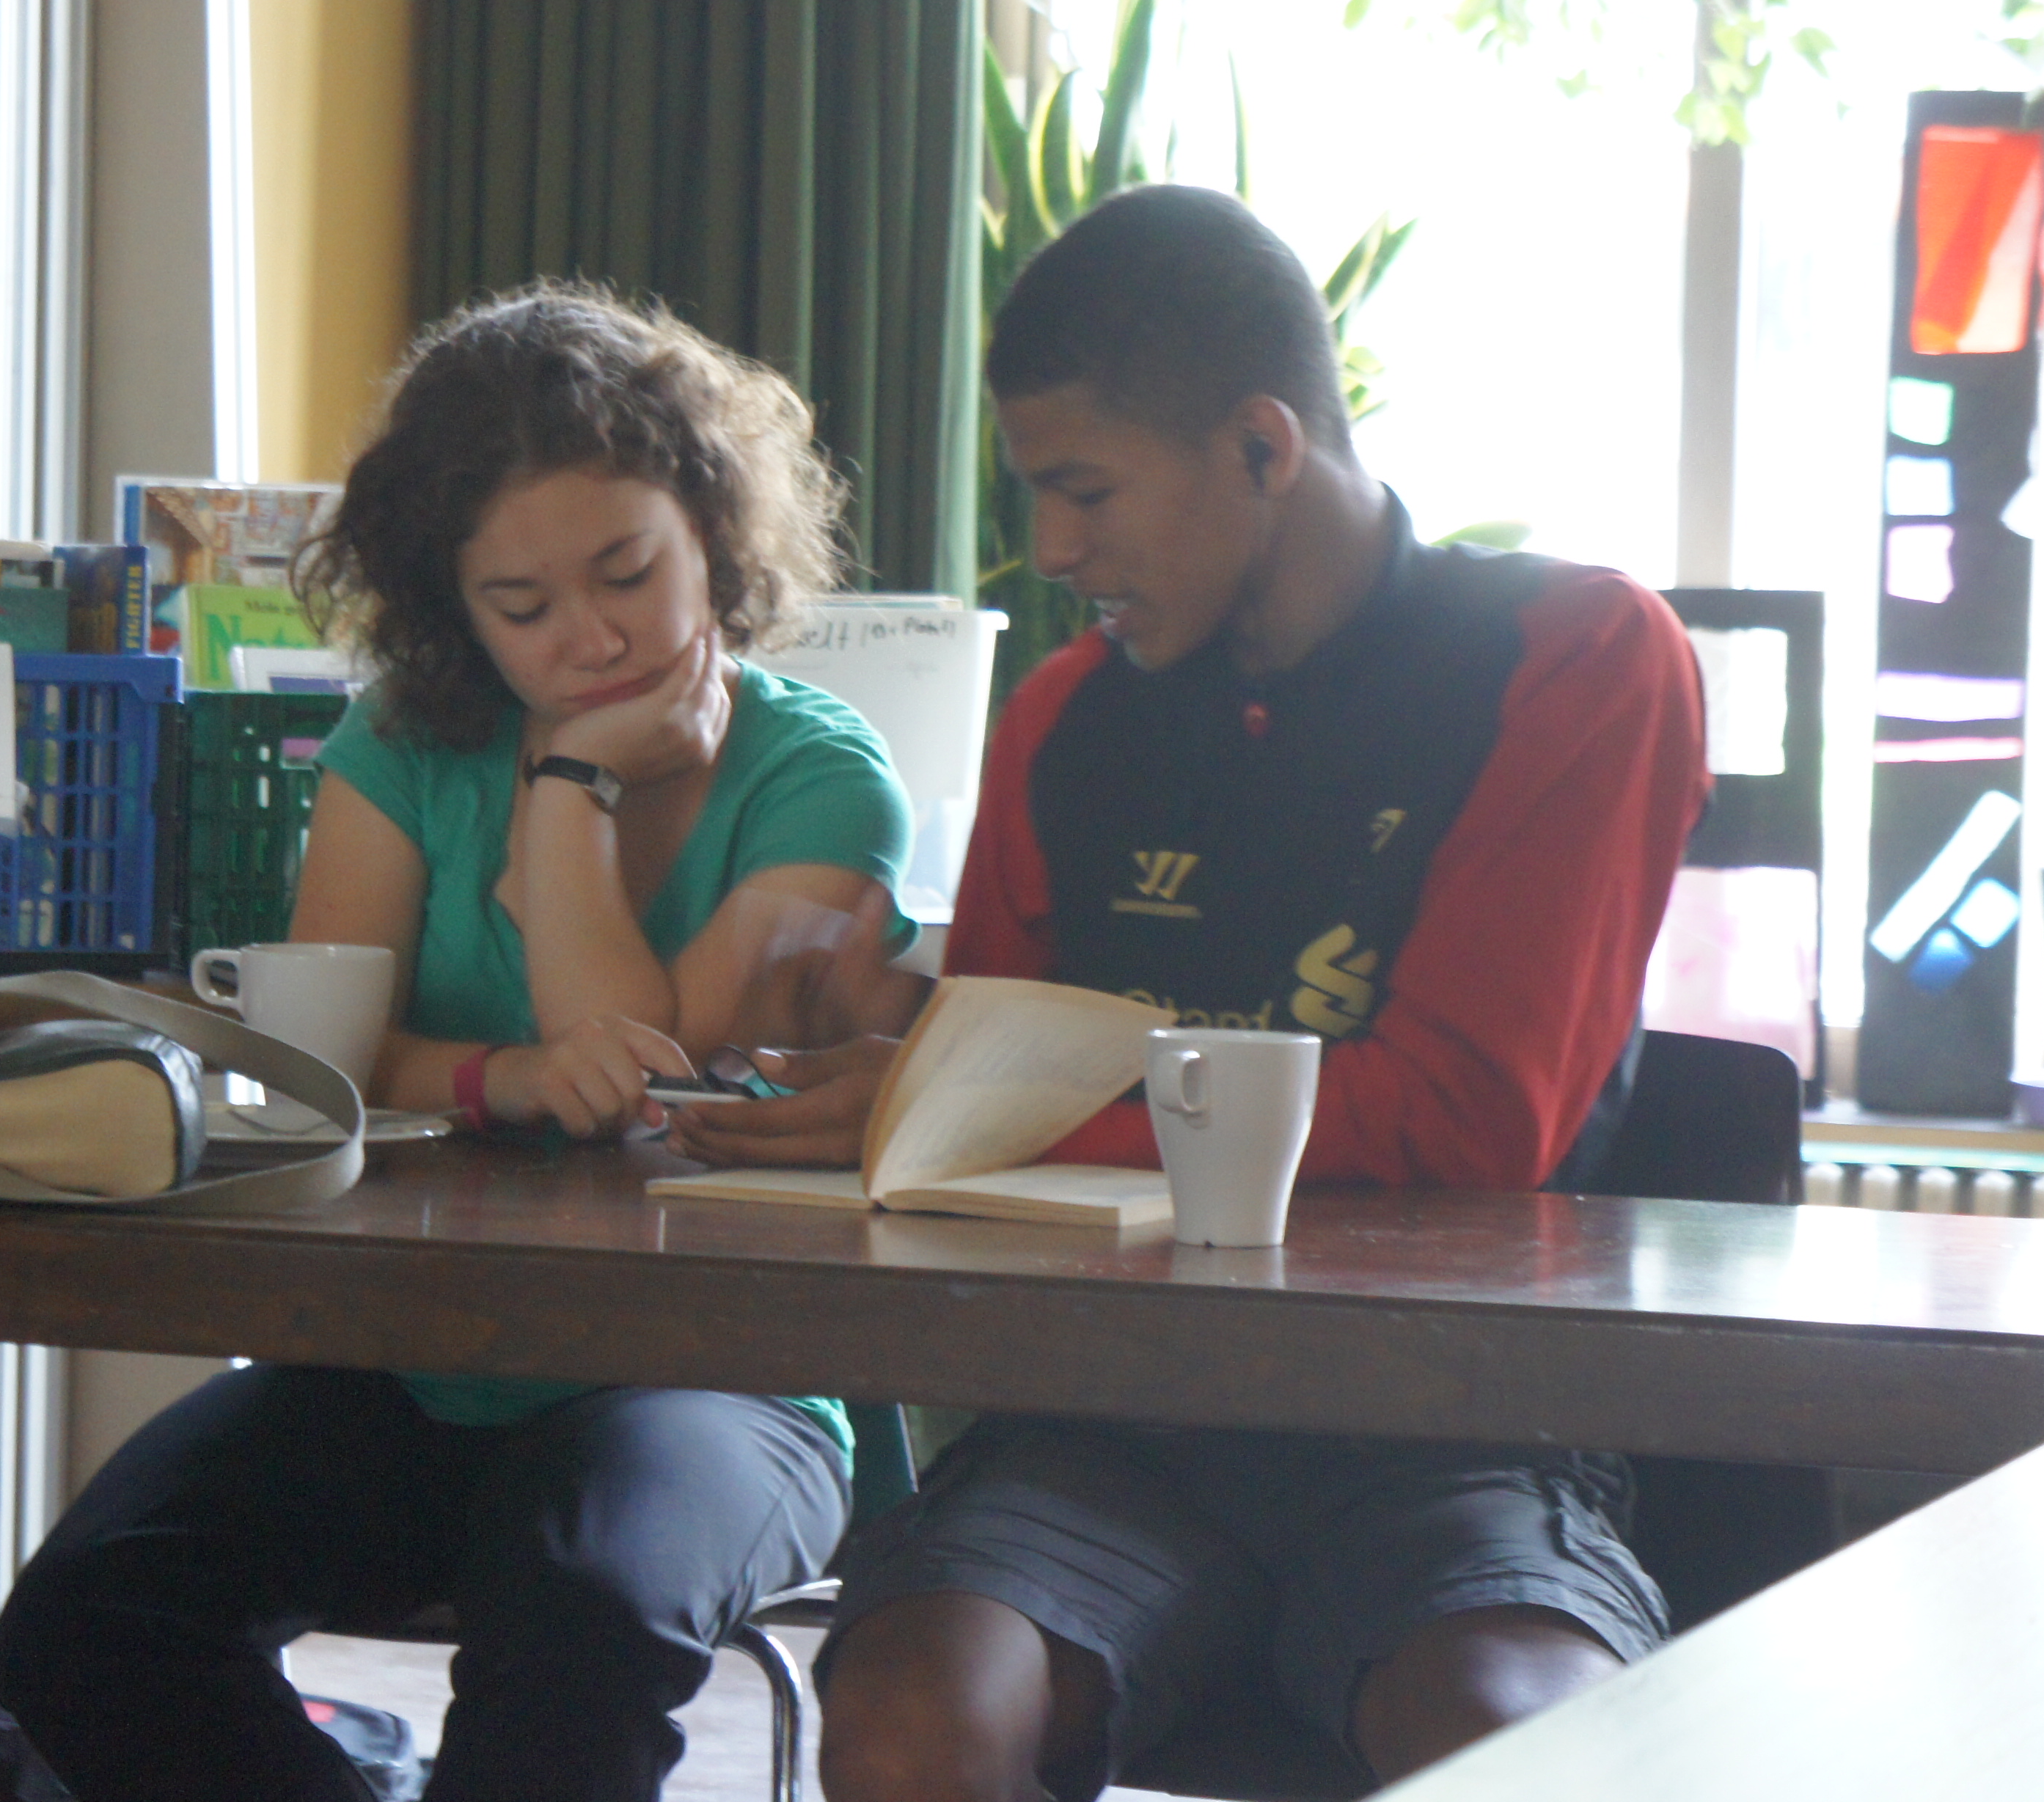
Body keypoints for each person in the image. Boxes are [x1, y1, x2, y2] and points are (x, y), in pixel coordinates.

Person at [675, 184, 1708, 1800]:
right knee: (902, 1723)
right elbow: (989, 1117)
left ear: (1260, 447)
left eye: (1084, 490)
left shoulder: (1575, 656)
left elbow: (1472, 1120)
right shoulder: (1066, 717)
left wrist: (974, 1100)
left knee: (1527, 1740)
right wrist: (888, 1050)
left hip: (1448, 1427)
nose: (1054, 549)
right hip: (1107, 1418)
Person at [0, 285, 916, 1802]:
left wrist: (566, 789)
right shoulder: (404, 745)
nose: (589, 637)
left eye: (626, 573)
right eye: (521, 607)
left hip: (717, 1376)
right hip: (428, 1357)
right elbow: (333, 1061)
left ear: (712, 531)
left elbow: (646, 1077)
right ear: (452, 603)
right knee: (88, 1623)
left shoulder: (821, 780)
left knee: (576, 1620)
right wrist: (493, 1080)